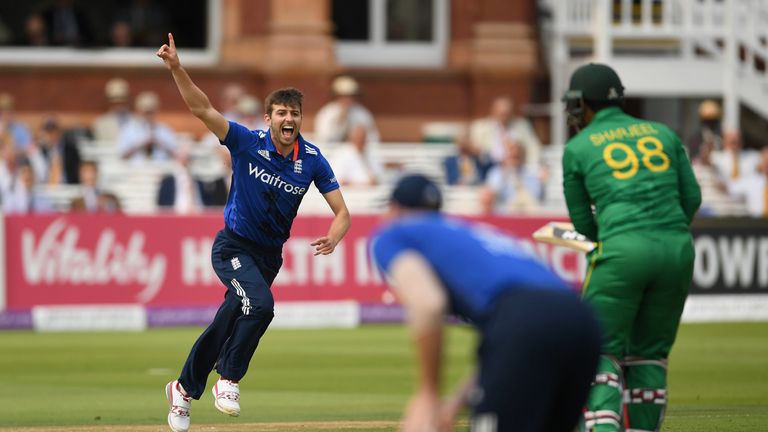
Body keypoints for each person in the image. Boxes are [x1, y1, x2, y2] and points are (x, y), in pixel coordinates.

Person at [156, 33, 351, 432]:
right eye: (280, 112)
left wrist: (335, 235)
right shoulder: (246, 142)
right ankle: (228, 380)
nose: (288, 119)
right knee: (260, 306)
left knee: (229, 318)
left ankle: (183, 389)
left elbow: (343, 211)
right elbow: (202, 109)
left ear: (301, 118)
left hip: (268, 256)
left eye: (294, 113)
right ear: (268, 118)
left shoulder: (312, 160)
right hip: (232, 246)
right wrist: (177, 68)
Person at [369, 173, 601, 432]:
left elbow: (428, 303)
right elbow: (505, 352)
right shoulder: (472, 233)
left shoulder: (395, 234)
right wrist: (453, 407)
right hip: (582, 322)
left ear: (394, 208)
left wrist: (429, 395)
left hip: (524, 318)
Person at [561, 63, 702, 431]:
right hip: (676, 251)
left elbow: (581, 223)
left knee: (596, 347)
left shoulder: (577, 147)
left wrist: (612, 241)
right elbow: (692, 197)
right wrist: (665, 231)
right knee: (649, 356)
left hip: (622, 251)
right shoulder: (664, 133)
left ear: (581, 104)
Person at [470, 95, 542, 167]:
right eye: (502, 114)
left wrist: (532, 166)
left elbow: (533, 147)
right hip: (489, 168)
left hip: (517, 168)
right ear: (493, 111)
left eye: (507, 113)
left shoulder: (522, 125)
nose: (505, 117)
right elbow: (475, 151)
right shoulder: (480, 127)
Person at [480, 139, 544, 214]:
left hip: (526, 214)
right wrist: (505, 174)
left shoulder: (530, 173)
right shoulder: (496, 173)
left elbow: (536, 194)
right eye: (511, 156)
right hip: (503, 214)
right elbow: (492, 193)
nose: (514, 160)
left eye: (517, 157)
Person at [314, 75, 380, 147]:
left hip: (355, 154)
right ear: (337, 95)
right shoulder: (327, 113)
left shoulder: (361, 113)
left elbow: (373, 137)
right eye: (344, 95)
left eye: (350, 95)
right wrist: (339, 123)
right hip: (331, 153)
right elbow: (323, 137)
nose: (347, 99)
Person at [117, 90, 177, 163]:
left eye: (151, 112)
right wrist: (140, 145)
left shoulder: (164, 130)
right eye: (145, 112)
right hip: (134, 172)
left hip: (161, 171)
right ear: (138, 111)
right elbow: (122, 156)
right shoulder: (129, 130)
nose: (148, 115)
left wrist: (159, 143)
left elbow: (176, 154)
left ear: (156, 111)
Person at [92, 78, 136, 142]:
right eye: (115, 100)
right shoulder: (100, 123)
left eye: (122, 99)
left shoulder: (137, 121)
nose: (119, 105)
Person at [727, 147, 768, 217]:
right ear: (760, 164)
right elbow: (729, 187)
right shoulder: (751, 180)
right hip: (756, 224)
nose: (767, 164)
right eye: (765, 161)